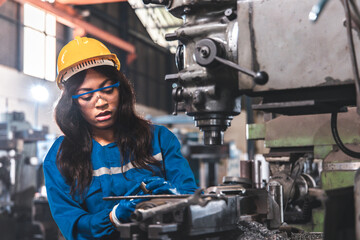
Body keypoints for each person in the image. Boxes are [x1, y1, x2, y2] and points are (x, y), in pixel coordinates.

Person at [43, 36, 198, 240]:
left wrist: (175, 196)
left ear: (121, 89)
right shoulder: (59, 158)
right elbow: (73, 225)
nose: (100, 102)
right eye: (87, 96)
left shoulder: (160, 140)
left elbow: (191, 197)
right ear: (72, 103)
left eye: (107, 89)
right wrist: (113, 217)